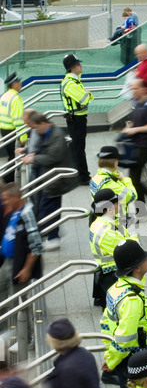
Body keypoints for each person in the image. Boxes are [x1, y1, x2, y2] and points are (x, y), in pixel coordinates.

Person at [100, 239, 147, 388]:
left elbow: (106, 324)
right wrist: (112, 361)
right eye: (143, 257)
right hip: (133, 358)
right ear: (137, 267)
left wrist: (109, 355)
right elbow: (125, 339)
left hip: (125, 357)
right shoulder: (132, 300)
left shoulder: (117, 289)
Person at [21, 112, 77, 251]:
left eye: (36, 127)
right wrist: (26, 150)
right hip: (47, 177)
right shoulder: (45, 133)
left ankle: (53, 237)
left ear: (43, 123)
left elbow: (53, 157)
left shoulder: (57, 135)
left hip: (55, 179)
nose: (35, 131)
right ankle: (50, 233)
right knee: (45, 207)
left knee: (48, 208)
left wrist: (33, 159)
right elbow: (40, 149)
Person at [0, 182, 42, 342]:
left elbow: (36, 245)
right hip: (7, 262)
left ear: (16, 197)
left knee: (20, 304)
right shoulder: (15, 212)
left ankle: (26, 338)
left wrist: (26, 268)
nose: (5, 203)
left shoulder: (27, 213)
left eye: (7, 199)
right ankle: (3, 333)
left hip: (18, 266)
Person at [89, 188, 138, 309]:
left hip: (108, 276)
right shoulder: (107, 232)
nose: (120, 204)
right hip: (113, 278)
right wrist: (133, 235)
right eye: (117, 202)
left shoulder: (100, 223)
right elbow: (133, 251)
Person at [121, 79, 147, 211]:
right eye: (133, 89)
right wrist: (129, 128)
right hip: (135, 145)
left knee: (134, 178)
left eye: (136, 89)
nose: (134, 92)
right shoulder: (137, 103)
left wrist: (135, 130)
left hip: (144, 145)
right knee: (134, 178)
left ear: (143, 89)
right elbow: (135, 121)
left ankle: (142, 210)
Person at [61, 54, 93, 186]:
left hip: (78, 117)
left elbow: (85, 96)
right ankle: (82, 176)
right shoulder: (70, 84)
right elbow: (85, 98)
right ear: (72, 68)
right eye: (78, 64)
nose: (81, 65)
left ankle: (79, 173)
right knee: (78, 148)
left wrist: (87, 94)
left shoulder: (75, 81)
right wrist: (88, 94)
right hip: (76, 119)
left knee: (78, 146)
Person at [90, 145, 137, 222]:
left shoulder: (95, 178)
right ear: (115, 162)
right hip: (115, 219)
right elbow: (132, 195)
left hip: (102, 216)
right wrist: (125, 179)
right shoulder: (109, 183)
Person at [0, 73, 27, 183]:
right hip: (11, 131)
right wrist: (23, 138)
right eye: (18, 82)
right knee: (14, 158)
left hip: (3, 129)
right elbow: (18, 120)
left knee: (12, 156)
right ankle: (5, 181)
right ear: (14, 84)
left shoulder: (5, 95)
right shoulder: (16, 98)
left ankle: (7, 181)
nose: (21, 84)